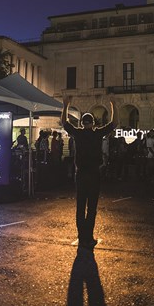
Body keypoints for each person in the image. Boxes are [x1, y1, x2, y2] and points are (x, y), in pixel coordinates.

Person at [61, 96, 116, 248]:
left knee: (80, 207)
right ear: (92, 123)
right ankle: (89, 237)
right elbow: (113, 124)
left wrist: (65, 105)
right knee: (91, 208)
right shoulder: (97, 133)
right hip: (94, 174)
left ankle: (81, 237)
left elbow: (65, 123)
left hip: (81, 174)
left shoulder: (78, 134)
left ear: (81, 123)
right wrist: (113, 104)